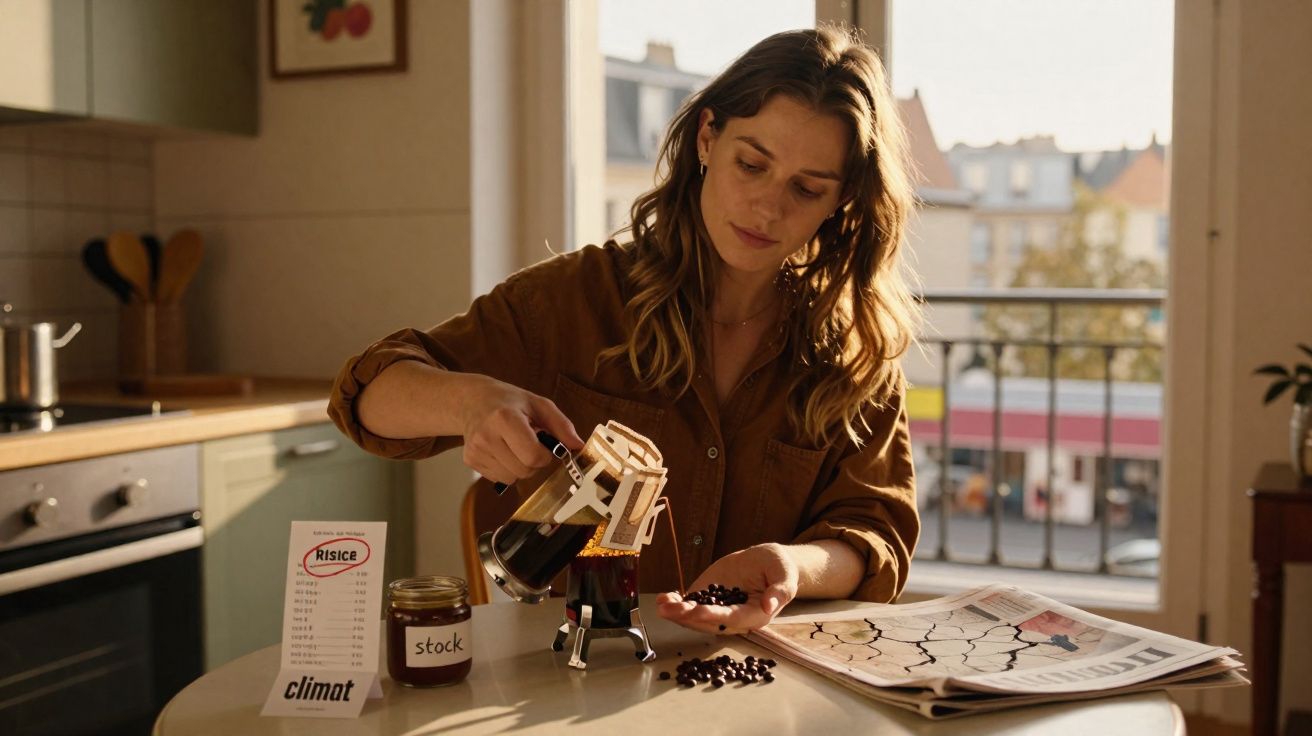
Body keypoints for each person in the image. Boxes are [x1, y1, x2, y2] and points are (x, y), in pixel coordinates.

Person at [328, 24, 920, 636]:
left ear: (842, 200)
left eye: (806, 188)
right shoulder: (576, 299)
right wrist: (468, 402)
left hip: (759, 686)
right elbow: (362, 398)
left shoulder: (854, 355)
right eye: (751, 164)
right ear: (707, 138)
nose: (768, 208)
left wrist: (792, 567)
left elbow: (876, 531)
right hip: (571, 687)